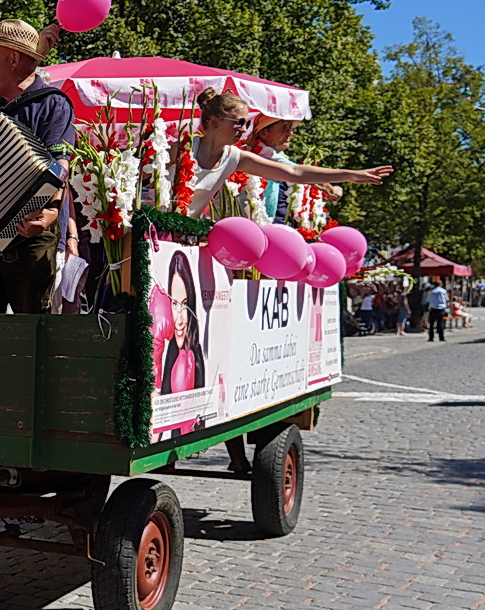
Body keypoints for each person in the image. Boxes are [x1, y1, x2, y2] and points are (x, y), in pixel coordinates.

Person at [0, 19, 74, 314]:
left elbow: (60, 166)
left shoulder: (53, 104)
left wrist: (50, 212)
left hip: (30, 238)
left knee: (31, 331)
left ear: (13, 59)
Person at [184, 91, 392, 219]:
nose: (244, 129)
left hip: (186, 237)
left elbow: (294, 172)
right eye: (238, 122)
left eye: (247, 124)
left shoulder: (236, 157)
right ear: (214, 122)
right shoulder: (182, 148)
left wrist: (351, 175)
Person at [158, 252, 206, 393]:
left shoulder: (195, 357)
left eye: (184, 304)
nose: (179, 320)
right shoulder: (168, 353)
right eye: (174, 304)